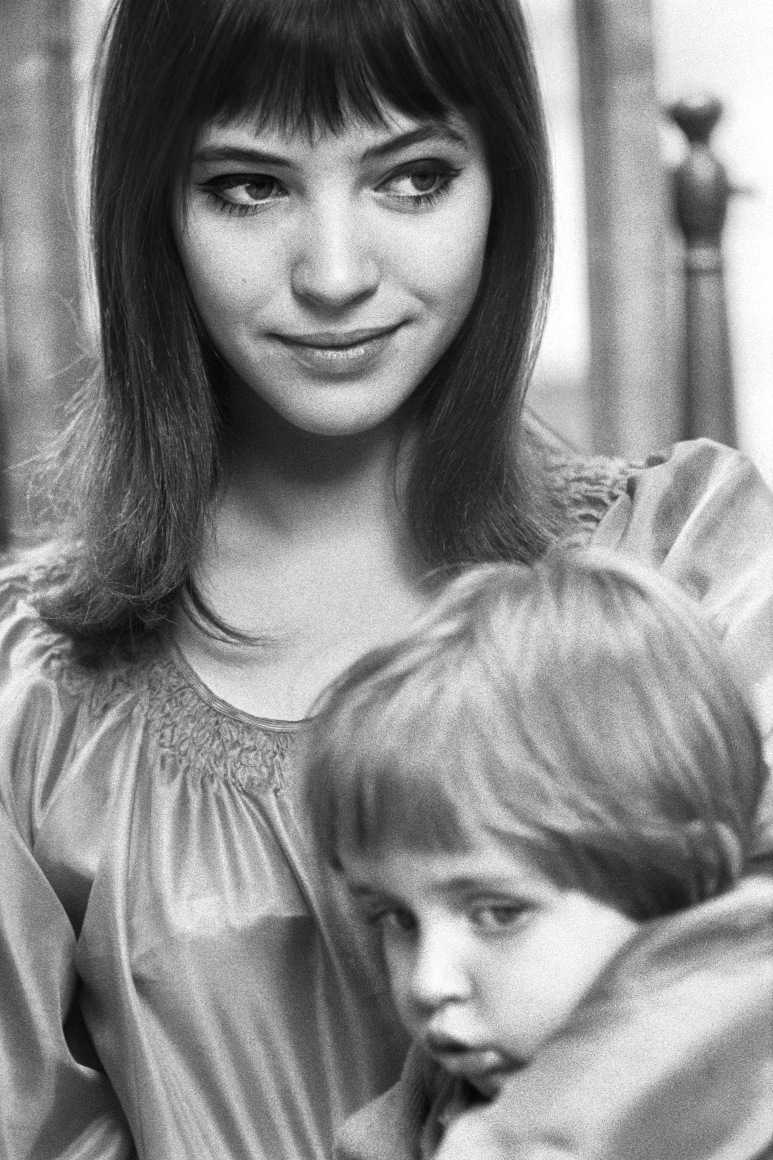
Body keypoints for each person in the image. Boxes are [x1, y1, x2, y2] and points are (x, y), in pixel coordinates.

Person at [0, 0, 771, 1156]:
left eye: (410, 177)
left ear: (503, 180)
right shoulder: (28, 699)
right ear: (150, 202)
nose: (335, 273)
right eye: (250, 186)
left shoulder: (687, 556)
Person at [303, 549, 773, 1160]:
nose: (427, 982)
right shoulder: (403, 1126)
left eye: (498, 912)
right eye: (398, 919)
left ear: (692, 874)